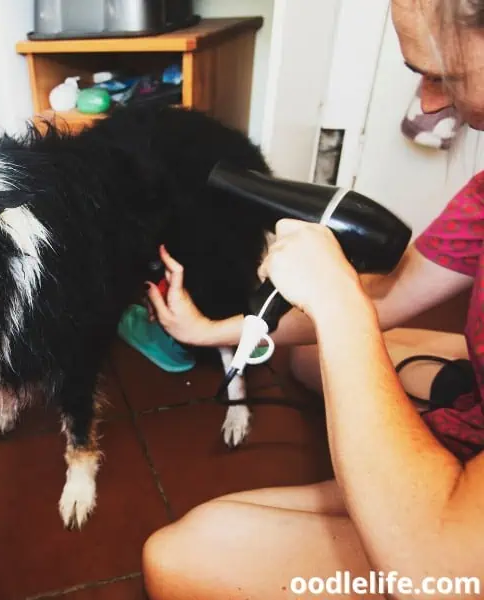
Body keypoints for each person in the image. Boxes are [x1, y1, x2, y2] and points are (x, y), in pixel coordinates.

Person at [140, 2, 484, 598]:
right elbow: (395, 292)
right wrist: (212, 330)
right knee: (304, 358)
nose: (428, 104)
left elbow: (443, 570)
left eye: (444, 76)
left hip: (451, 553)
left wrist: (338, 304)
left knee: (179, 557)